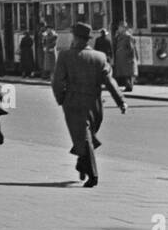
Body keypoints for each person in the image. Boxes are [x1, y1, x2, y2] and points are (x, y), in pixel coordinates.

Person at [52, 22, 127, 187]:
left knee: (84, 138)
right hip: (94, 105)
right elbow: (110, 82)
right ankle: (82, 163)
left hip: (73, 103)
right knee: (86, 136)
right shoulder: (99, 57)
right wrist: (121, 101)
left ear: (76, 37)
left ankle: (93, 175)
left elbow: (57, 82)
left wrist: (61, 98)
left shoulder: (65, 56)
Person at [112, 21, 137, 94]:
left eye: (120, 27)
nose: (118, 29)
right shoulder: (120, 36)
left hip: (127, 58)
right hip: (122, 59)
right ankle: (128, 86)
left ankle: (129, 86)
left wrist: (130, 57)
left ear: (124, 28)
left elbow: (131, 48)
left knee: (128, 73)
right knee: (125, 73)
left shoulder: (128, 36)